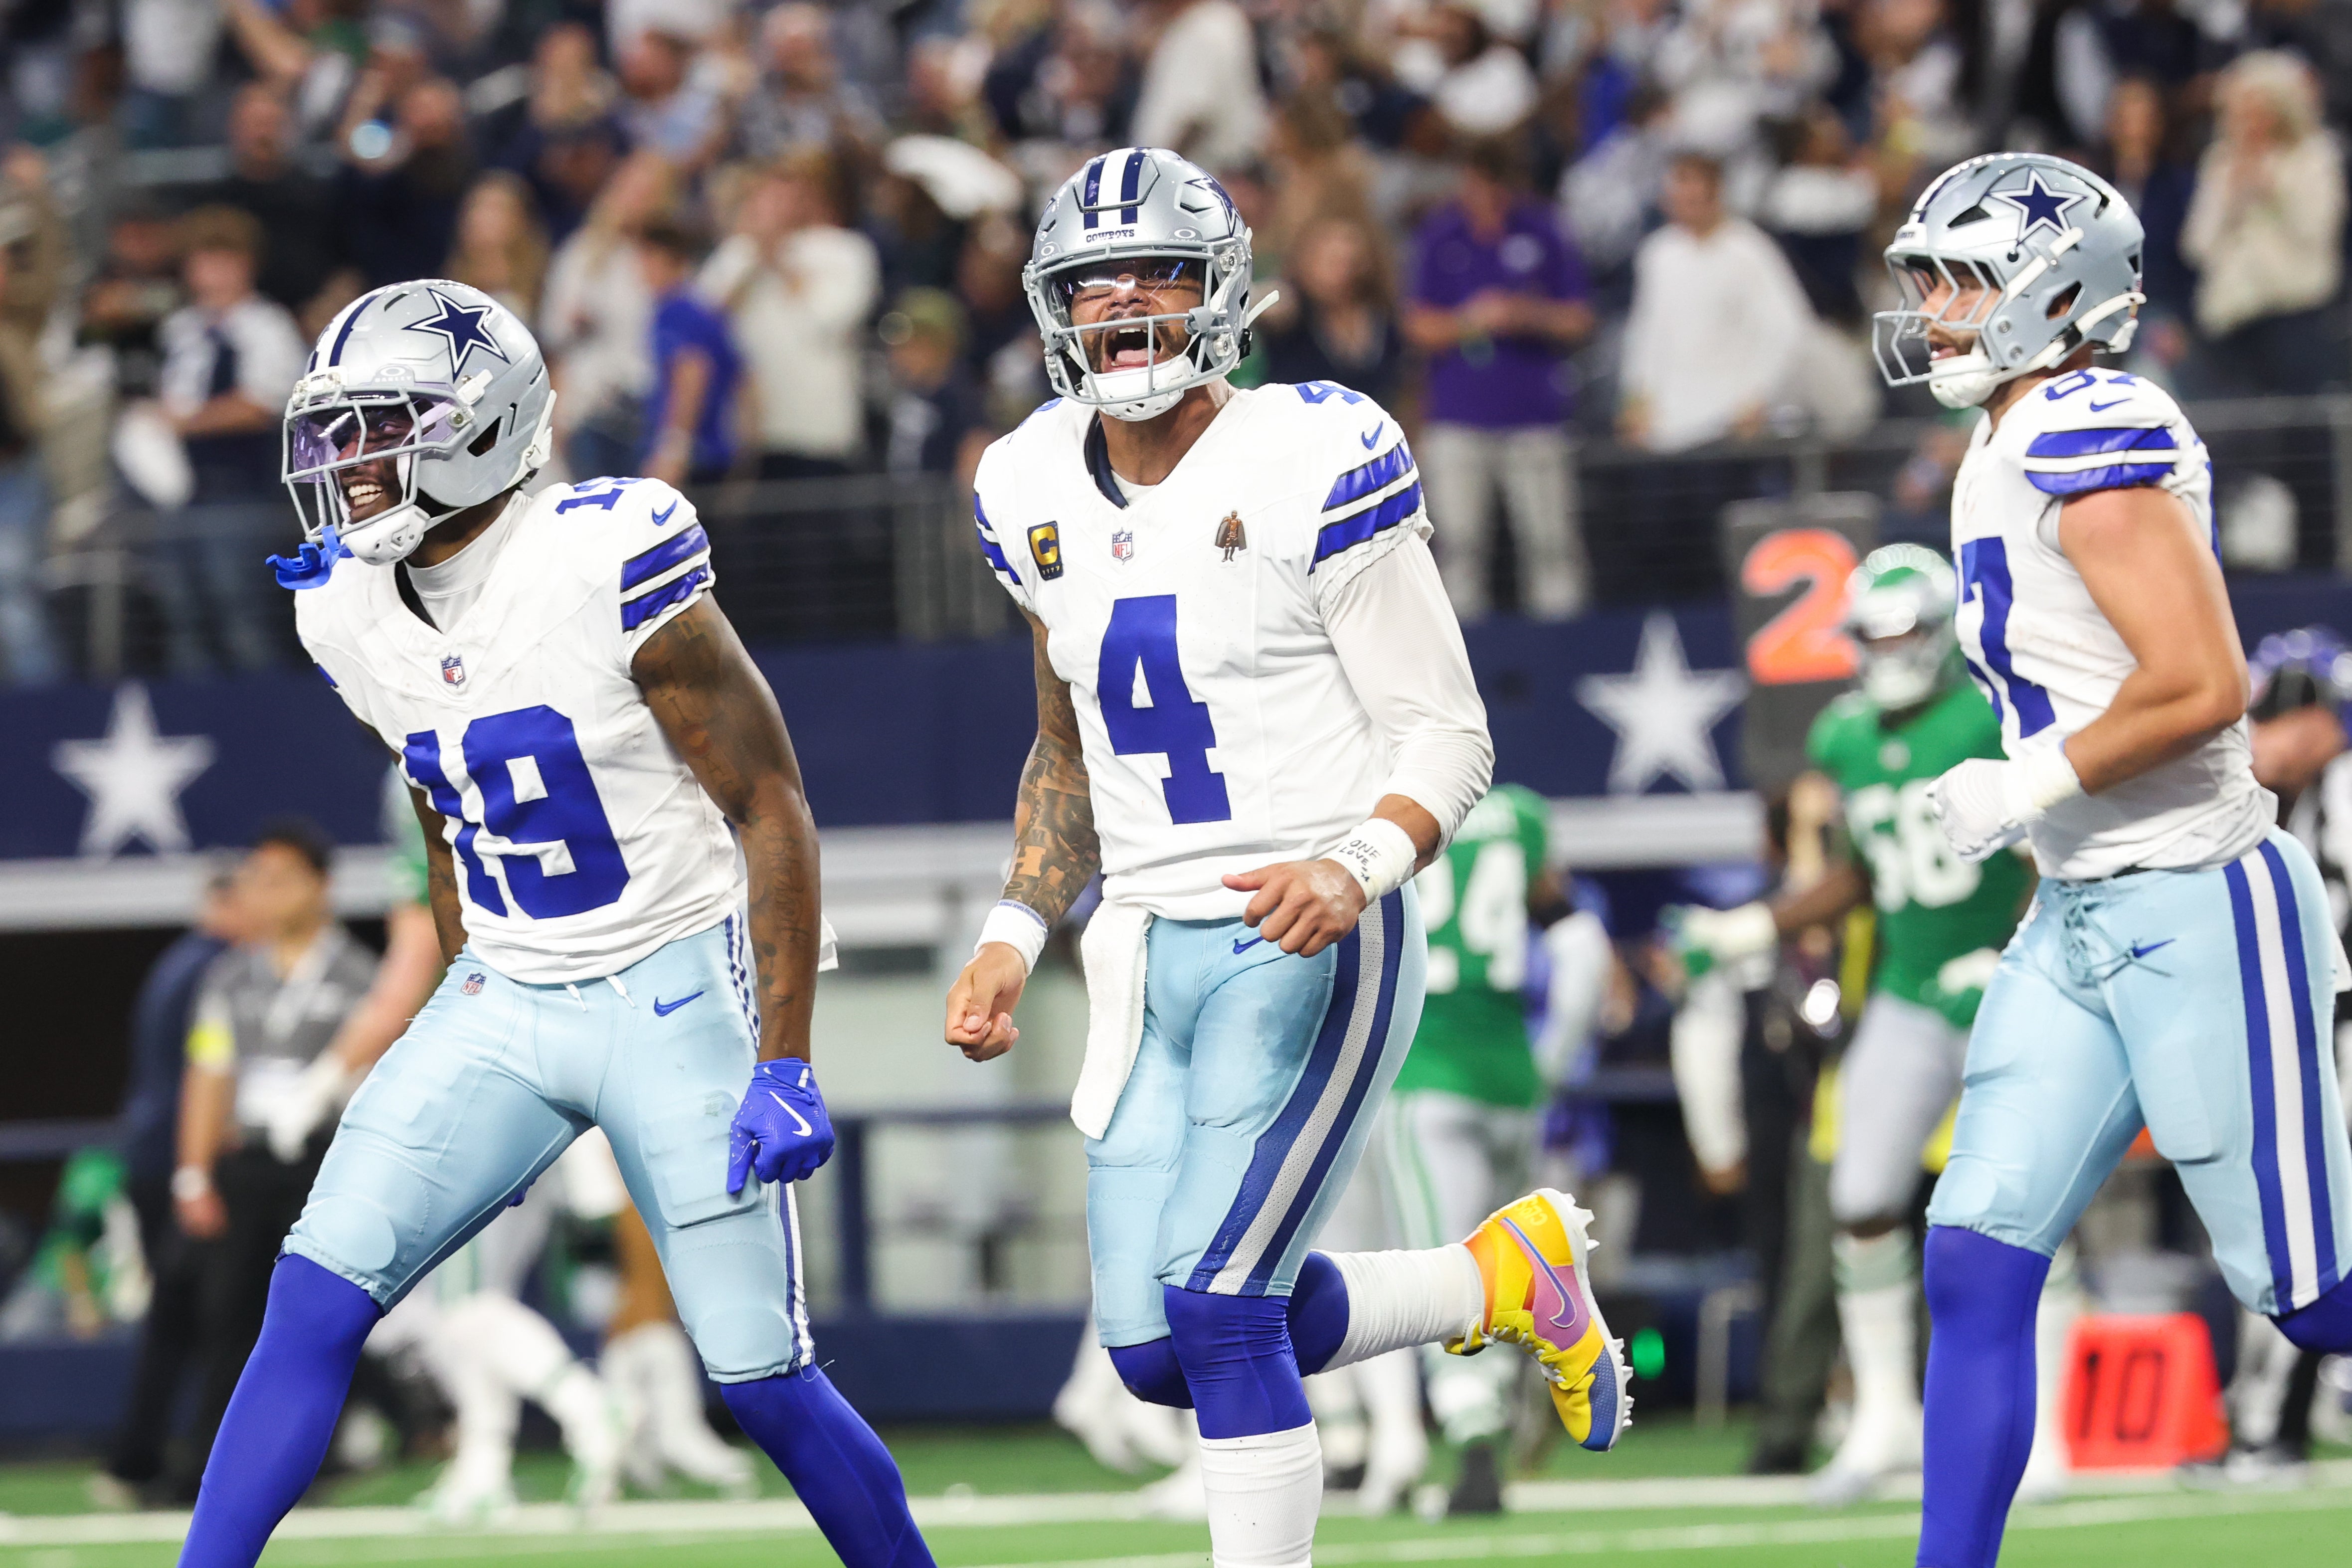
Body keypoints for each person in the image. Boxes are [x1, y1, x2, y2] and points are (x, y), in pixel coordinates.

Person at [173, 276, 930, 1568]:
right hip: (512, 993)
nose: (348, 463)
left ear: (482, 424)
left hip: (673, 980)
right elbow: (437, 793)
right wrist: (465, 987)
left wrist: (787, 1054)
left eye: (383, 424)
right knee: (308, 1298)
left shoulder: (603, 553)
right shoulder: (340, 604)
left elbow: (771, 807)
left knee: (758, 1378)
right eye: (337, 429)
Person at [943, 146, 1628, 1568]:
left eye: (1159, 277)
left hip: (1306, 928)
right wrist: (1014, 929)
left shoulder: (1316, 447)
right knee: (1147, 1351)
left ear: (1224, 294)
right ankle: (1499, 1278)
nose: (1125, 308)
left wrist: (1359, 864)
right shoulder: (1022, 483)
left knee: (1217, 1304)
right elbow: (1065, 747)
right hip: (1142, 941)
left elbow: (1447, 735)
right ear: (1046, 305)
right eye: (1092, 284)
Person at [1872, 152, 2352, 1568]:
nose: (1935, 309)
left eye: (1961, 280)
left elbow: (2204, 681)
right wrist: (2044, 818)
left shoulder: (2091, 421)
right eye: (1930, 280)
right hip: (2081, 911)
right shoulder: (2009, 432)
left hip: (2197, 900)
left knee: (2316, 1300)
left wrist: (2026, 780)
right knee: (1970, 1256)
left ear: (2051, 292)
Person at [1669, 548, 2072, 1505]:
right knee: (1858, 1201)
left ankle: (2045, 1425)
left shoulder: (1986, 715)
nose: (1889, 652)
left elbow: (2053, 852)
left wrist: (2022, 949)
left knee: (2034, 1208)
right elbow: (1858, 875)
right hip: (1902, 986)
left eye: (1903, 633)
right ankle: (1884, 1415)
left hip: (2006, 984)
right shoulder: (1843, 736)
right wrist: (1754, 925)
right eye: (1876, 635)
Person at [1376, 782, 1615, 1513]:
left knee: (1437, 1265)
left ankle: (1473, 1438)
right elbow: (1583, 948)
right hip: (1514, 1079)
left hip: (1425, 1075)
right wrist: (1552, 1061)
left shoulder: (1369, 805)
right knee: (1508, 1264)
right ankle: (1526, 1391)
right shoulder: (1519, 816)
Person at [172, 821, 380, 1498]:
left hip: (325, 1158)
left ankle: (312, 1462)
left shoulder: (360, 975)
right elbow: (210, 1072)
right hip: (249, 1158)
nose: (267, 893)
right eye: (258, 879)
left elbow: (378, 1067)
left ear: (322, 886)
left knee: (316, 1314)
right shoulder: (232, 974)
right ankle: (211, 1463)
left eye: (282, 878)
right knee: (227, 1311)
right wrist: (193, 1170)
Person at [97, 868, 249, 1506]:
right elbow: (210, 1073)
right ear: (223, 902)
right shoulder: (216, 971)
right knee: (209, 1314)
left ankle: (141, 1457)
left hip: (154, 1156)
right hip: (184, 1161)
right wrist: (205, 1167)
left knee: (178, 1317)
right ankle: (177, 1461)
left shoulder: (177, 963)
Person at [1403, 137, 1595, 621]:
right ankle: (1464, 656)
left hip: (1534, 415)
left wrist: (1527, 315)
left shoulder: (1543, 229)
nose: (1485, 194)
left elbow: (1580, 320)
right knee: (1460, 546)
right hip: (1459, 417)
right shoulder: (1441, 236)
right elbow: (1417, 326)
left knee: (1551, 543)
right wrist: (1472, 320)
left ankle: (1562, 648)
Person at [153, 204, 307, 674]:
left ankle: (266, 723)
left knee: (241, 610)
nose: (213, 273)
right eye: (204, 260)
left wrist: (185, 423)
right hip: (179, 491)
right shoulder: (178, 331)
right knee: (182, 612)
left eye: (225, 260)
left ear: (247, 265)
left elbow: (262, 403)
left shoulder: (268, 326)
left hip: (244, 488)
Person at [698, 153, 880, 481]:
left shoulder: (847, 251)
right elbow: (706, 322)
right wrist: (755, 253)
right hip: (751, 431)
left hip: (819, 433)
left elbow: (827, 321)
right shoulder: (737, 253)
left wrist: (779, 261)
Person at [2179, 51, 2347, 397]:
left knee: (2294, 427)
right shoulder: (2220, 162)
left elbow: (2317, 232)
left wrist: (2271, 189)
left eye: (2257, 107)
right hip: (2231, 318)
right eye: (2240, 108)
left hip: (2294, 311)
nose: (2248, 119)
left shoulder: (2313, 157)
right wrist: (2231, 197)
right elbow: (2196, 247)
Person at [636, 219, 741, 488]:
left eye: (651, 259)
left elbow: (693, 373)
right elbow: (744, 377)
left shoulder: (677, 312)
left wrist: (673, 450)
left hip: (696, 456)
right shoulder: (702, 311)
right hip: (714, 451)